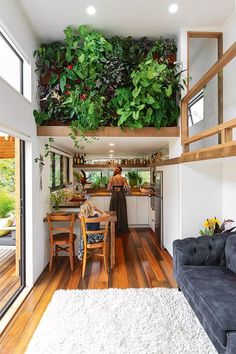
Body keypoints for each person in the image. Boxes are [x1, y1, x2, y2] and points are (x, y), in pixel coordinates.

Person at [107, 166, 129, 232]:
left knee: (113, 211)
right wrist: (126, 190)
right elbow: (127, 188)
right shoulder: (123, 178)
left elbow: (108, 189)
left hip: (114, 195)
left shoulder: (111, 178)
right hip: (121, 195)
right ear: (121, 171)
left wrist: (112, 189)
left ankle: (113, 227)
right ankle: (121, 227)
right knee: (122, 211)